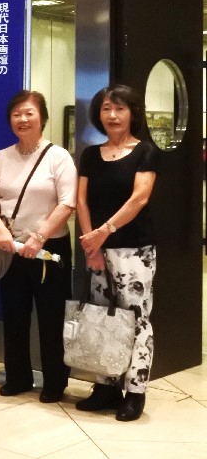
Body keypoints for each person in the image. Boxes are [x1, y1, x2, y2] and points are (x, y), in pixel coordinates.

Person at [0, 90, 77, 403]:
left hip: (49, 250)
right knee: (14, 314)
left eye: (29, 113)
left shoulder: (58, 157)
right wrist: (0, 231)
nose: (22, 119)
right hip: (11, 248)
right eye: (16, 114)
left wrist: (39, 237)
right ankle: (18, 376)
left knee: (51, 316)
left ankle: (55, 381)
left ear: (42, 118)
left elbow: (67, 203)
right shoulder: (1, 157)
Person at [76, 84, 158, 422]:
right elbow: (81, 201)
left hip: (134, 250)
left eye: (120, 108)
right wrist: (90, 244)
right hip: (97, 249)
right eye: (107, 108)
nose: (112, 115)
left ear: (132, 113)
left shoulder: (145, 151)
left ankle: (135, 392)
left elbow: (139, 198)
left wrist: (104, 231)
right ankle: (106, 387)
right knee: (102, 317)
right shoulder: (90, 155)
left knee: (135, 319)